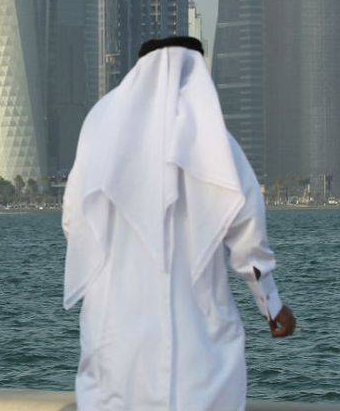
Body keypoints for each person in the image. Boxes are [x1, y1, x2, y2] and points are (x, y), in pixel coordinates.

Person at [62, 36, 296, 411]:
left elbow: (74, 221)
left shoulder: (100, 131)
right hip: (197, 338)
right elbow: (247, 234)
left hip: (116, 328)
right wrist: (271, 304)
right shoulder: (215, 141)